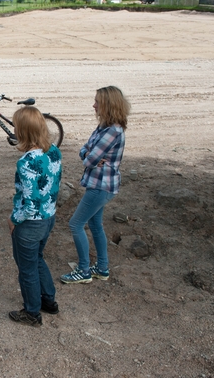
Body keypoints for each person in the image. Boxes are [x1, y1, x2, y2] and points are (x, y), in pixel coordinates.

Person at [60, 86, 130, 284]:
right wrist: (88, 155)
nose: (94, 105)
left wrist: (89, 156)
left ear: (107, 105)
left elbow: (89, 160)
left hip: (101, 187)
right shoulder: (104, 128)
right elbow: (85, 151)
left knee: (75, 224)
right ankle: (102, 268)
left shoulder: (112, 132)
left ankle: (83, 270)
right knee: (95, 224)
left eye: (97, 102)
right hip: (100, 185)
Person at [7, 106, 62, 327]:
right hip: (49, 217)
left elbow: (29, 203)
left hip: (30, 223)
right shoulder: (54, 151)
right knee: (38, 259)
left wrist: (14, 220)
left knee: (27, 268)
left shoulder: (26, 162)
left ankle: (31, 312)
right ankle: (48, 300)